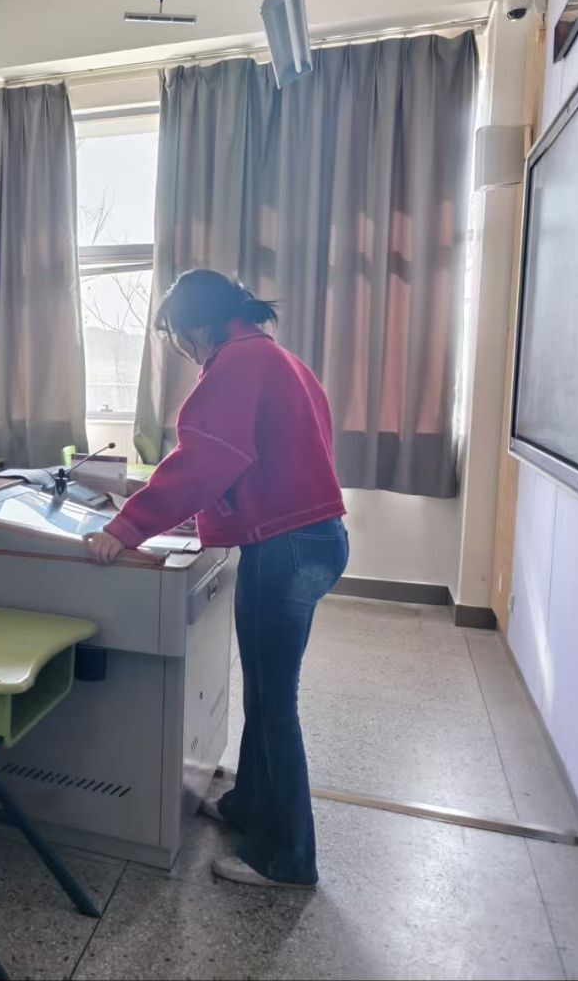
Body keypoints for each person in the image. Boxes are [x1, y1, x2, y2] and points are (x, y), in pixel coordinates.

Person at [84, 270, 348, 890]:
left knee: (274, 701)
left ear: (196, 326)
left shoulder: (237, 364)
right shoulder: (275, 357)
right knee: (266, 691)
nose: (182, 349)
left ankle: (289, 859)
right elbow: (254, 459)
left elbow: (204, 460)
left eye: (178, 336)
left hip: (285, 548)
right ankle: (250, 803)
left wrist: (126, 527)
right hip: (311, 539)